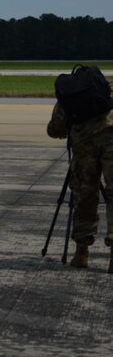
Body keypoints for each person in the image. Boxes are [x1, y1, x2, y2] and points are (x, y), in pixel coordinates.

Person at [47, 95, 113, 271]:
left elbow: (55, 129)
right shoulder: (108, 92)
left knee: (85, 194)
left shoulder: (71, 93)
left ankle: (81, 253)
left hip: (84, 145)